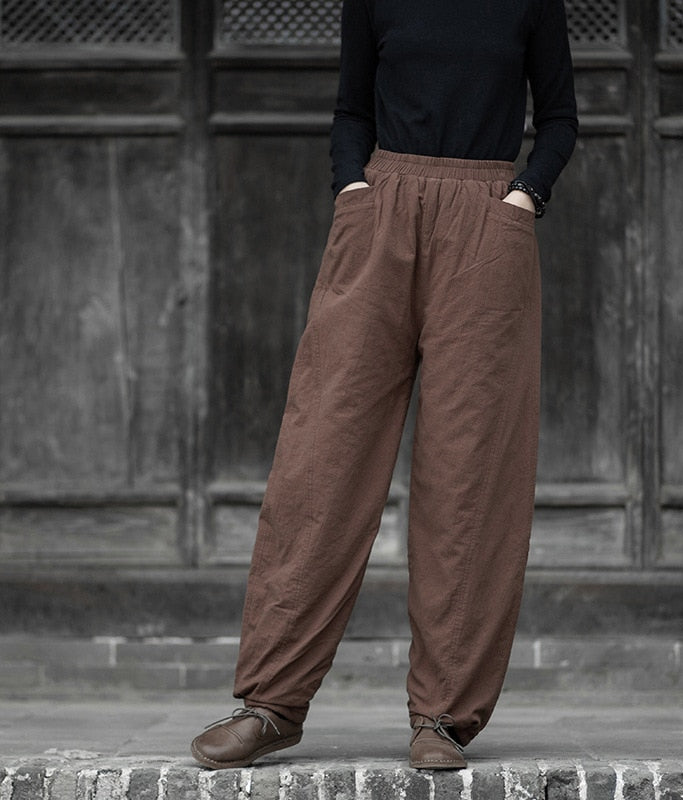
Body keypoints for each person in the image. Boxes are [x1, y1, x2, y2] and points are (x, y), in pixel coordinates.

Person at [191, 0, 578, 771]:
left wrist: (524, 194)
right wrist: (353, 188)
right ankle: (271, 703)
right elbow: (351, 110)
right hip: (380, 213)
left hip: (486, 225)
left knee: (469, 471)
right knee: (322, 453)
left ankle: (443, 717)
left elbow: (561, 118)